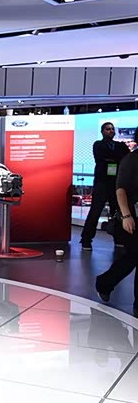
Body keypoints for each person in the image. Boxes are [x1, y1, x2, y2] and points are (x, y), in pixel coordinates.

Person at [97, 129, 138, 314]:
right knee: (133, 256)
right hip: (132, 216)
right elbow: (120, 189)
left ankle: (105, 283)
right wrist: (126, 216)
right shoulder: (131, 160)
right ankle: (105, 283)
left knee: (133, 256)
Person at [81, 122, 129, 250]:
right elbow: (101, 159)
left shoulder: (120, 145)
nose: (111, 131)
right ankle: (86, 240)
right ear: (102, 131)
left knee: (117, 212)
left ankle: (119, 239)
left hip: (116, 183)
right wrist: (116, 159)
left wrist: (111, 159)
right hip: (102, 183)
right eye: (108, 129)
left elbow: (125, 159)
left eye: (112, 129)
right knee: (95, 211)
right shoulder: (98, 144)